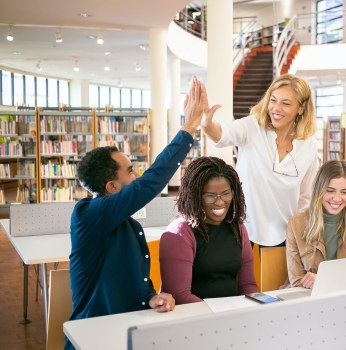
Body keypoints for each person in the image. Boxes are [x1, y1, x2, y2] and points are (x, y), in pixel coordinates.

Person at [64, 77, 205, 350]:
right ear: (112, 187)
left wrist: (151, 296)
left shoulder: (125, 223)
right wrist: (188, 128)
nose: (137, 175)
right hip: (94, 337)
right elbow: (149, 184)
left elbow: (131, 274)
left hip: (128, 330)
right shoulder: (88, 215)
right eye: (130, 171)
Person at [201, 74, 319, 248]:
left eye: (286, 103)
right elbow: (222, 134)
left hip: (285, 235)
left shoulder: (308, 145)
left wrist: (299, 233)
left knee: (276, 277)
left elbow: (306, 196)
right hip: (242, 230)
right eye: (273, 100)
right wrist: (206, 123)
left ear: (301, 108)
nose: (276, 108)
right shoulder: (253, 127)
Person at [159, 156, 258, 304]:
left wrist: (260, 306)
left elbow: (248, 285)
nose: (219, 202)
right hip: (194, 319)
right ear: (195, 196)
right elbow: (179, 296)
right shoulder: (178, 233)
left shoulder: (238, 227)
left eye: (225, 193)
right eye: (210, 196)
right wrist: (220, 315)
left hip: (231, 315)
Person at [284, 160, 346, 288]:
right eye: (330, 191)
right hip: (309, 298)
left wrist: (325, 280)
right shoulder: (296, 223)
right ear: (320, 190)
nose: (337, 198)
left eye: (344, 192)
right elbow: (297, 281)